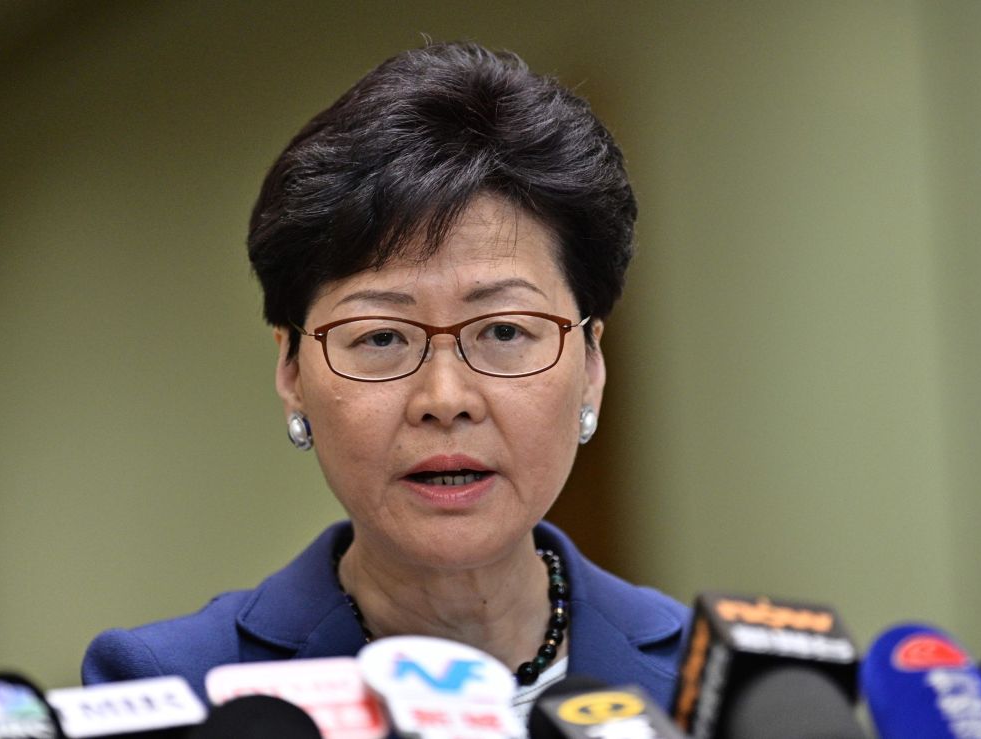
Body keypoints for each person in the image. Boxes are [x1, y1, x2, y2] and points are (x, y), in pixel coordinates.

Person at [82, 41, 689, 717]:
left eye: (505, 331)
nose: (446, 400)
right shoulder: (179, 692)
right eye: (381, 338)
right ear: (291, 373)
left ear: (592, 368)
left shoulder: (712, 686)